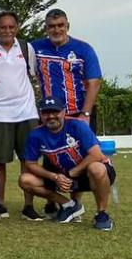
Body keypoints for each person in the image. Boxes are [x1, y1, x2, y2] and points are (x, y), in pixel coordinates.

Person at [0, 11, 42, 221]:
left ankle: (28, 205)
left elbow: (33, 75)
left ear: (17, 28)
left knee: (29, 161)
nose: (7, 31)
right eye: (2, 27)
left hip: (26, 113)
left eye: (11, 27)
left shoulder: (26, 48)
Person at [20, 98, 115, 230]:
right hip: (63, 176)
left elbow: (96, 154)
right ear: (40, 115)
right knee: (25, 180)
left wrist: (71, 173)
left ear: (64, 112)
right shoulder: (36, 135)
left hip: (87, 173)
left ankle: (102, 213)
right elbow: (30, 163)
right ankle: (69, 205)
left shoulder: (78, 125)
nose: (51, 116)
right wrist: (55, 177)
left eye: (55, 112)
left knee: (96, 168)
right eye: (46, 113)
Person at [33, 8, 103, 126]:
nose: (57, 30)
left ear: (67, 26)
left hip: (78, 113)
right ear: (46, 29)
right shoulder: (35, 48)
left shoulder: (84, 49)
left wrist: (85, 114)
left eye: (61, 25)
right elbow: (13, 48)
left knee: (85, 145)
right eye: (52, 26)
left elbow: (94, 83)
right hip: (48, 114)